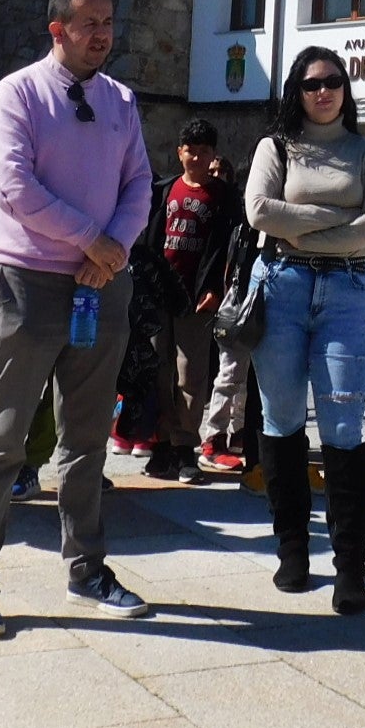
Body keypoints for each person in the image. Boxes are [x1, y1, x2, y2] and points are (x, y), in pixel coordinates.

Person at [0, 0, 154, 638]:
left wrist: (114, 247)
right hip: (29, 281)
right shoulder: (19, 93)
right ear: (57, 28)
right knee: (4, 433)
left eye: (108, 22)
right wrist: (89, 238)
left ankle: (88, 567)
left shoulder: (121, 99)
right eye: (88, 21)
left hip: (103, 285)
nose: (101, 33)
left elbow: (139, 183)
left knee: (87, 438)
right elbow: (14, 186)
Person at [245, 45, 365, 615]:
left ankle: (350, 569)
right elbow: (259, 211)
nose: (324, 91)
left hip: (348, 293)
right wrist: (342, 223)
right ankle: (292, 551)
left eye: (333, 81)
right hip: (281, 289)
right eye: (312, 84)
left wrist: (304, 230)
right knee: (282, 420)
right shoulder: (275, 146)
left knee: (344, 427)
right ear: (297, 92)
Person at [132, 119, 240, 485]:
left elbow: (232, 250)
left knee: (191, 374)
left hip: (197, 299)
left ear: (213, 156)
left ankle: (185, 449)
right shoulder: (163, 191)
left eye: (204, 151)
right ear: (179, 152)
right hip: (159, 293)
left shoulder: (225, 199)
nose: (196, 157)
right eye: (190, 150)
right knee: (158, 370)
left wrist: (218, 287)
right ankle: (161, 446)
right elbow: (147, 240)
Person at [195, 153, 251, 473]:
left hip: (255, 304)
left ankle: (239, 431)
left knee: (246, 377)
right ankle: (213, 437)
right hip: (238, 303)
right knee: (230, 373)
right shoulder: (238, 221)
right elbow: (229, 266)